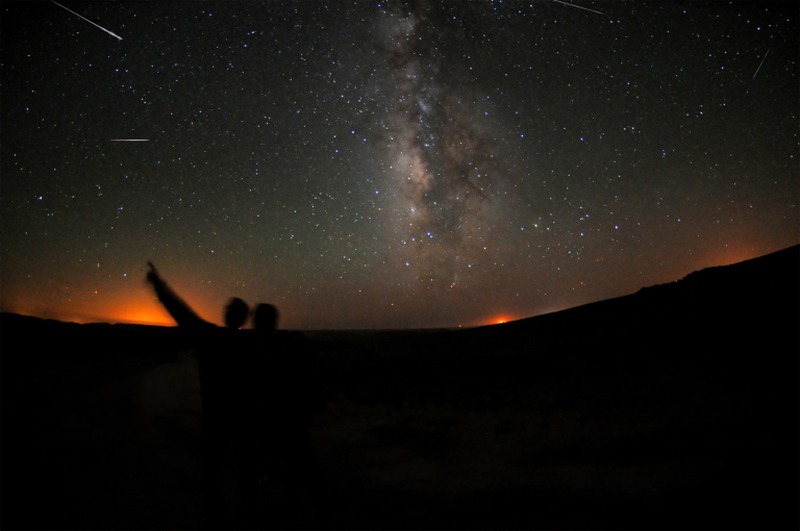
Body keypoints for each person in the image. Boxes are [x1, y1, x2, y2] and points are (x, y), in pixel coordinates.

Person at [145, 262, 252, 528]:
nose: (225, 309)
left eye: (229, 307)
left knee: (213, 474)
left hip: (217, 420)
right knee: (244, 472)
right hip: (243, 420)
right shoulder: (251, 346)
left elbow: (182, 313)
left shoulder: (211, 338)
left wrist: (159, 286)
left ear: (231, 315)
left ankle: (220, 519)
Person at [249, 303, 325, 527]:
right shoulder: (285, 344)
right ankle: (302, 505)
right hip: (286, 419)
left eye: (258, 320)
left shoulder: (275, 347)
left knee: (290, 464)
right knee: (293, 464)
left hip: (283, 419)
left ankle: (300, 506)